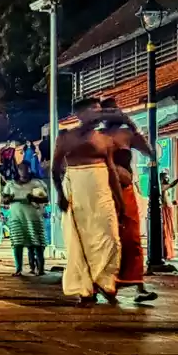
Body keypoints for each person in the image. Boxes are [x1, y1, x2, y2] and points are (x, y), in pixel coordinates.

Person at [52, 99, 122, 305]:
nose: (97, 114)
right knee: (78, 240)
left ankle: (106, 281)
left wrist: (120, 200)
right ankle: (85, 288)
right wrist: (60, 196)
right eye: (92, 110)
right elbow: (55, 169)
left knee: (111, 238)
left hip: (101, 190)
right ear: (80, 114)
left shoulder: (105, 139)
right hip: (76, 187)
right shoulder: (66, 137)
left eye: (99, 111)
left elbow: (112, 171)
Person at [105, 119, 158, 303]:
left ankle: (139, 286)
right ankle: (106, 285)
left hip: (126, 193)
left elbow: (151, 152)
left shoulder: (126, 134)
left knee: (132, 239)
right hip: (105, 194)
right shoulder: (96, 137)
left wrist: (135, 128)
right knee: (109, 240)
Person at [3, 160, 47, 276]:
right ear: (18, 170)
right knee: (17, 243)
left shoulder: (37, 183)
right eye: (21, 169)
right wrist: (9, 199)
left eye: (25, 168)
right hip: (16, 218)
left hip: (34, 218)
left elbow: (44, 199)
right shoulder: (10, 184)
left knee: (37, 243)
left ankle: (40, 268)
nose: (23, 171)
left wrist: (32, 198)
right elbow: (4, 199)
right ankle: (18, 269)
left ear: (29, 169)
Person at [159, 169, 178, 260]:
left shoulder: (165, 187)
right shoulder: (162, 187)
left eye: (168, 176)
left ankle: (169, 253)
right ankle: (166, 253)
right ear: (161, 178)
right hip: (165, 211)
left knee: (169, 232)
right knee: (165, 232)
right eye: (165, 177)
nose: (167, 178)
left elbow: (166, 199)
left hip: (169, 210)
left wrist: (172, 203)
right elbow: (172, 185)